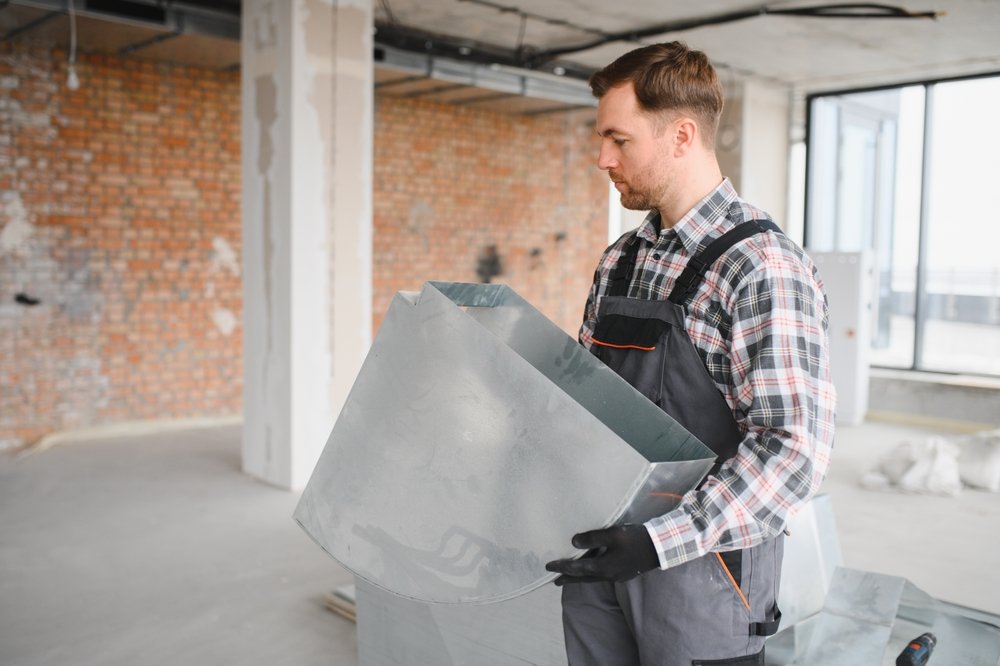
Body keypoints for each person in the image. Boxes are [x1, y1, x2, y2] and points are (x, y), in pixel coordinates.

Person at [544, 42, 836, 666]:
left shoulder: (760, 268)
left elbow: (792, 453)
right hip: (602, 555)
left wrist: (655, 544)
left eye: (619, 140)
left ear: (680, 135)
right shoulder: (622, 259)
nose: (602, 158)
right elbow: (586, 401)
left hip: (706, 576)